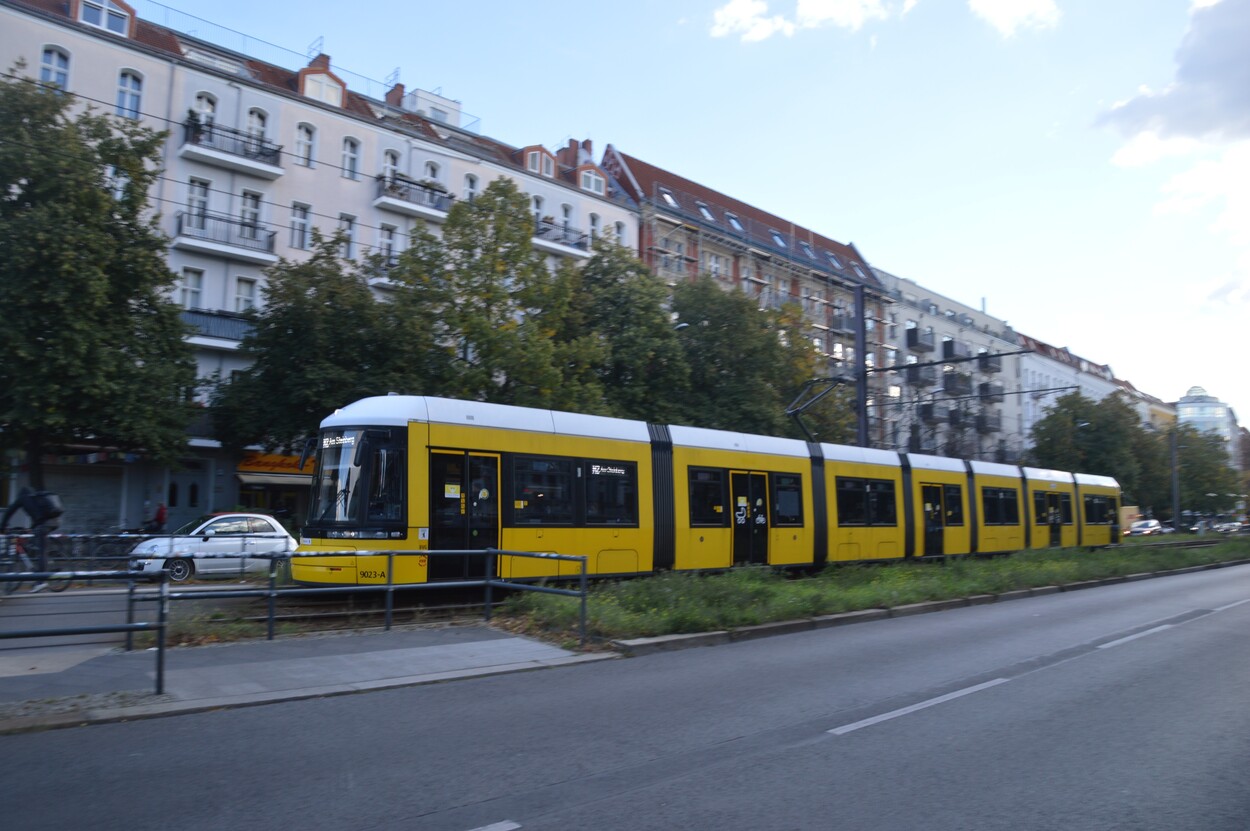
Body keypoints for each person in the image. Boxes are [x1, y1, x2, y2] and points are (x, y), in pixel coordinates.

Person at [1, 487, 64, 593]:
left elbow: (9, 512)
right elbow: (38, 515)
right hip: (55, 521)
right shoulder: (35, 497)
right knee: (37, 542)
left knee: (41, 551)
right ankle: (40, 568)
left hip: (45, 524)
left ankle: (41, 582)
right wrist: (31, 528)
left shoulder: (23, 498)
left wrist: (2, 528)